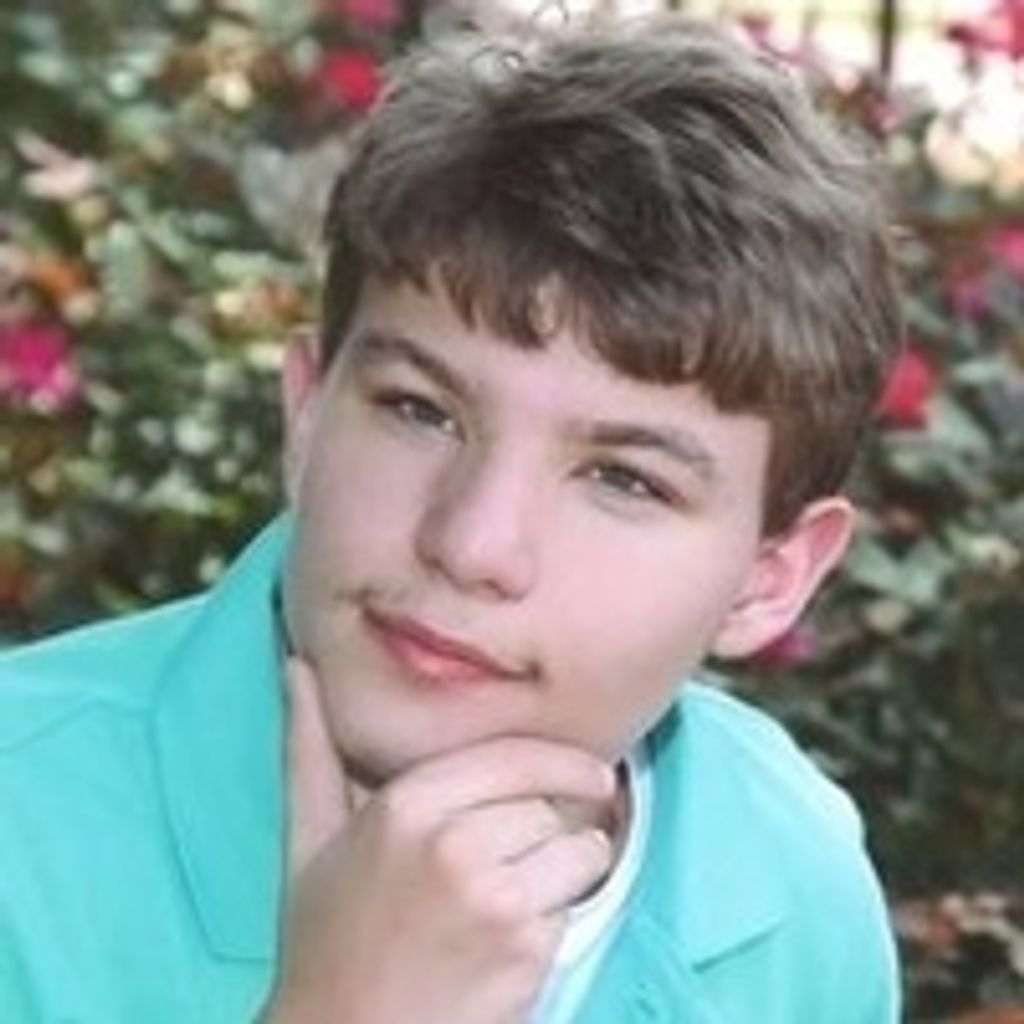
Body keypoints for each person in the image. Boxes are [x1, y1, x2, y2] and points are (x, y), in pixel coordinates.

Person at [0, 15, 903, 1023]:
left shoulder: (794, 889)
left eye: (624, 479)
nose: (472, 543)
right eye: (419, 411)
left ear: (770, 579)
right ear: (307, 413)